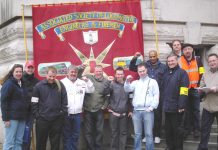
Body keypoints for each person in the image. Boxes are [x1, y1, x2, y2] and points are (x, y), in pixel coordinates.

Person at [129, 50, 167, 143]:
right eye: (150, 57)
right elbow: (132, 67)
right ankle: (146, 135)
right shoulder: (145, 65)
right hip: (146, 95)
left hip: (158, 93)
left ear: (157, 56)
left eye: (154, 56)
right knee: (145, 117)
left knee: (157, 115)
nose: (152, 58)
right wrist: (135, 58)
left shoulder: (163, 67)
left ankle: (157, 135)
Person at [124, 63, 159, 150]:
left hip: (148, 111)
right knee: (137, 134)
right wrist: (127, 81)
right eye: (140, 71)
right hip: (136, 111)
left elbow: (156, 95)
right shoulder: (135, 82)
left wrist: (152, 107)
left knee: (148, 134)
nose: (142, 73)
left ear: (146, 70)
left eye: (143, 71)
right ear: (138, 72)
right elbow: (127, 89)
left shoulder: (153, 82)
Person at [31, 66, 68, 150]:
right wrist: (37, 115)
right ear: (46, 75)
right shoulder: (38, 86)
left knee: (55, 142)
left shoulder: (60, 85)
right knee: (41, 142)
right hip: (42, 119)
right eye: (50, 76)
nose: (52, 78)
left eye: (54, 76)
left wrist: (62, 112)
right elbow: (34, 101)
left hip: (56, 119)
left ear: (56, 75)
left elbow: (64, 99)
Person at [61, 65, 95, 150]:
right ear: (67, 73)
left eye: (75, 72)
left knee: (76, 135)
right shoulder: (62, 82)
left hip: (78, 114)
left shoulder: (82, 82)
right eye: (71, 72)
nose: (73, 74)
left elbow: (91, 90)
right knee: (66, 135)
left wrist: (88, 81)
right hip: (66, 113)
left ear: (77, 73)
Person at [162, 54, 189, 150]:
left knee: (177, 132)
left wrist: (181, 105)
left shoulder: (182, 73)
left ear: (177, 61)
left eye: (172, 61)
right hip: (167, 108)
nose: (170, 63)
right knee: (168, 131)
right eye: (169, 61)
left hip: (177, 109)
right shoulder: (166, 73)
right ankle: (170, 147)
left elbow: (184, 90)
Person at [1, 64, 30, 150]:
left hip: (22, 117)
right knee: (9, 142)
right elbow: (4, 102)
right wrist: (6, 119)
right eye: (16, 71)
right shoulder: (8, 84)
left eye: (20, 71)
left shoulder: (22, 83)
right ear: (12, 72)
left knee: (19, 141)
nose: (18, 73)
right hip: (11, 118)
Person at [178, 43, 204, 138]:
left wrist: (200, 86)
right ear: (183, 51)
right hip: (184, 89)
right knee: (186, 110)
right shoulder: (179, 60)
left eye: (189, 49)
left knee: (196, 110)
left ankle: (196, 129)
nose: (187, 51)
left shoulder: (198, 60)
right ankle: (187, 129)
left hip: (195, 89)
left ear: (192, 50)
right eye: (185, 49)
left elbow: (202, 73)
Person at [83, 65, 110, 150]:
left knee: (99, 131)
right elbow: (78, 76)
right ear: (94, 71)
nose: (98, 73)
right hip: (88, 110)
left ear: (102, 71)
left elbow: (108, 95)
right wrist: (81, 68)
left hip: (99, 110)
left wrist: (104, 106)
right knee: (88, 131)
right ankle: (91, 148)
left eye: (100, 71)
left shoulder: (106, 81)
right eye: (97, 71)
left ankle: (98, 148)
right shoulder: (88, 77)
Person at [106, 67, 132, 150]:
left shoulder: (127, 84)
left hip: (124, 114)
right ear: (115, 75)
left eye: (121, 74)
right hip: (113, 113)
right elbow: (105, 92)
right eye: (117, 74)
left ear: (124, 75)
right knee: (114, 133)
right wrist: (108, 82)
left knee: (123, 133)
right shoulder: (112, 84)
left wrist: (131, 110)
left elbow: (130, 98)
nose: (119, 76)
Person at [197, 53, 218, 150]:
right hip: (207, 106)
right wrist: (201, 89)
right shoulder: (205, 73)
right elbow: (202, 84)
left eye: (214, 60)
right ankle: (202, 148)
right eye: (210, 61)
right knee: (205, 130)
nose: (212, 62)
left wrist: (216, 89)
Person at [22, 60, 39, 150]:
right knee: (20, 134)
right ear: (25, 68)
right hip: (20, 112)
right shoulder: (20, 79)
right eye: (28, 67)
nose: (30, 69)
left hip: (31, 112)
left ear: (34, 69)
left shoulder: (37, 81)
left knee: (27, 134)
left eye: (32, 67)